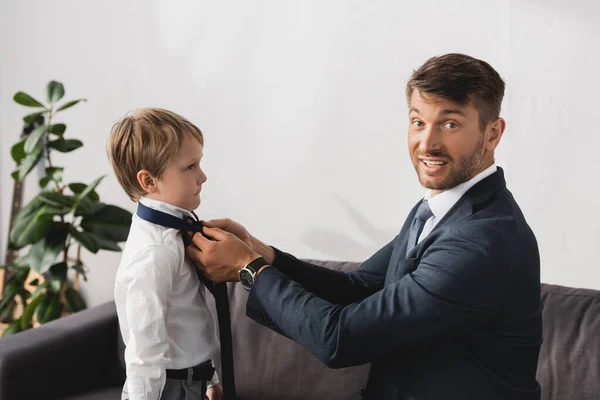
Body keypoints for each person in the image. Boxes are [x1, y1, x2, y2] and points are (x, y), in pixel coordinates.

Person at [186, 53, 543, 400]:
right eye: (418, 122)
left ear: (493, 133)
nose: (427, 143)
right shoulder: (439, 210)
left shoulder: (482, 239)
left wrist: (248, 268)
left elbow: (340, 338)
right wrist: (264, 255)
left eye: (450, 124)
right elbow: (357, 288)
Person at [107, 108, 223, 400]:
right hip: (168, 389)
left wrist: (209, 376)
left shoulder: (177, 231)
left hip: (191, 380)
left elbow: (188, 317)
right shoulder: (154, 253)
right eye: (190, 166)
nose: (203, 176)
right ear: (149, 181)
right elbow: (144, 351)